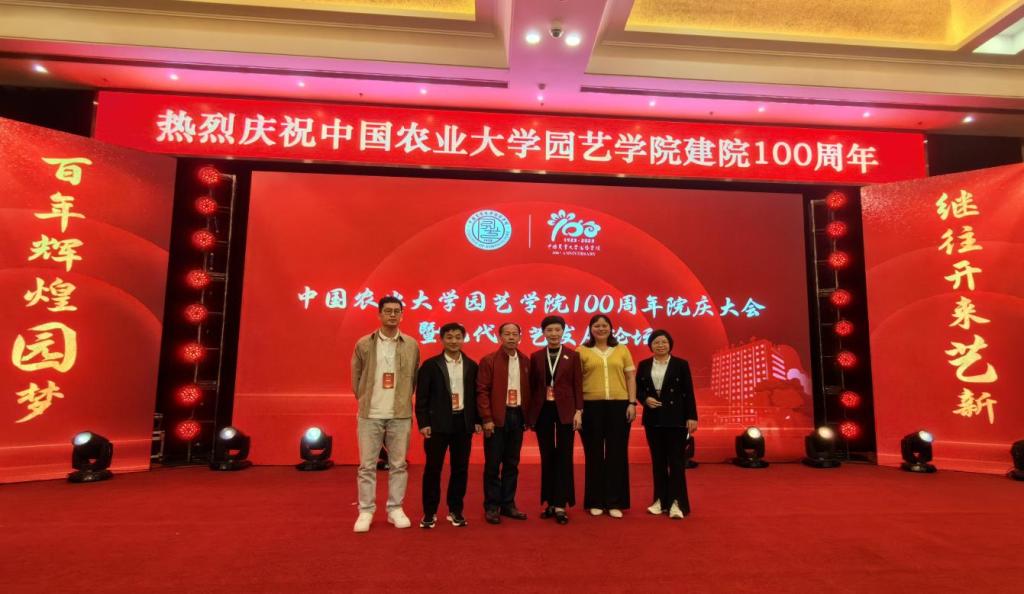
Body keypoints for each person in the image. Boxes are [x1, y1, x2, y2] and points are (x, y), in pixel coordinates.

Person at [351, 296, 420, 533]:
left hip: (399, 414)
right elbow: (356, 377)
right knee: (366, 466)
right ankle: (366, 510)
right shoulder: (364, 343)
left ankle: (395, 508)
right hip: (370, 413)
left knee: (398, 465)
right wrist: (364, 399)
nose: (392, 315)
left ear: (402, 315)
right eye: (388, 311)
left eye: (396, 311)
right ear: (379, 314)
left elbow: (414, 378)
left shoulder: (411, 344)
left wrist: (404, 401)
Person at [415, 323, 480, 529]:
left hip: (463, 423)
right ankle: (429, 512)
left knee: (460, 469)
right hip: (437, 424)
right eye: (449, 337)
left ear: (463, 339)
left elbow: (476, 396)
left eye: (458, 337)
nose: (454, 341)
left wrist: (477, 420)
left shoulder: (472, 365)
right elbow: (422, 397)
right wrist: (423, 423)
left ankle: (455, 510)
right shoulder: (430, 365)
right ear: (441, 339)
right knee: (433, 469)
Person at [577, 314, 636, 518]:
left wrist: (632, 403)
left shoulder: (622, 349)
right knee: (593, 454)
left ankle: (614, 502)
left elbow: (630, 377)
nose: (601, 329)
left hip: (619, 406)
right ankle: (595, 501)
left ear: (611, 328)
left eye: (604, 325)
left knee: (616, 454)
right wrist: (578, 409)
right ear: (591, 329)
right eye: (597, 325)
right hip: (590, 407)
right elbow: (576, 382)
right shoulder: (581, 351)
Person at [527, 315, 583, 525]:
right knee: (547, 455)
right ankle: (549, 502)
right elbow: (532, 387)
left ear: (563, 332)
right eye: (549, 330)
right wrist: (531, 416)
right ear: (543, 333)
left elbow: (578, 385)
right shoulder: (536, 356)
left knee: (564, 456)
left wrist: (579, 411)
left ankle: (561, 504)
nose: (553, 334)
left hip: (566, 411)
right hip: (543, 411)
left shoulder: (573, 356)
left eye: (557, 330)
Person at [636, 330, 698, 519]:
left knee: (676, 462)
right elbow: (637, 389)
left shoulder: (681, 364)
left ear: (670, 344)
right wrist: (645, 399)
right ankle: (660, 501)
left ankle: (677, 503)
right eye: (656, 342)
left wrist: (692, 417)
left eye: (664, 342)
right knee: (658, 462)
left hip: (676, 419)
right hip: (653, 419)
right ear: (650, 346)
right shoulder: (644, 365)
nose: (660, 345)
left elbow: (688, 392)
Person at [477, 322, 531, 524]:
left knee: (512, 463)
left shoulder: (525, 361)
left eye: (514, 334)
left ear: (520, 337)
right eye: (507, 334)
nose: (511, 337)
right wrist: (487, 418)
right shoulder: (489, 360)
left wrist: (528, 418)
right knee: (493, 464)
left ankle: (508, 504)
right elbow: (482, 391)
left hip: (517, 416)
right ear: (499, 337)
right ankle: (492, 506)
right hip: (497, 417)